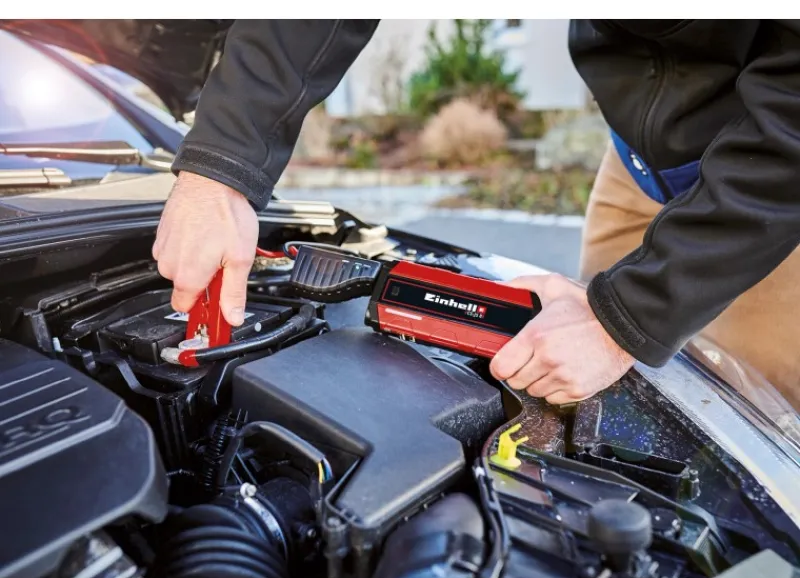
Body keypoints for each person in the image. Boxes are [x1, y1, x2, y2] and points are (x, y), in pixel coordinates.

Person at [153, 20, 800, 411]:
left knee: (759, 430)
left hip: (771, 185)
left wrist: (630, 317)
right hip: (636, 159)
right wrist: (223, 165)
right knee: (601, 393)